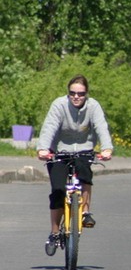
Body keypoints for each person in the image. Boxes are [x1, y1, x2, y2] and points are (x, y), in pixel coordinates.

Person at [37, 74, 113, 256]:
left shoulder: (93, 106)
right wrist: (43, 149)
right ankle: (55, 233)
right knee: (57, 191)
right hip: (59, 151)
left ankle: (85, 212)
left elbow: (101, 126)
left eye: (81, 93)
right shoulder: (59, 105)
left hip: (84, 150)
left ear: (86, 93)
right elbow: (49, 126)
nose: (76, 97)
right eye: (72, 93)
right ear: (68, 93)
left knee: (85, 172)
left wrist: (107, 148)